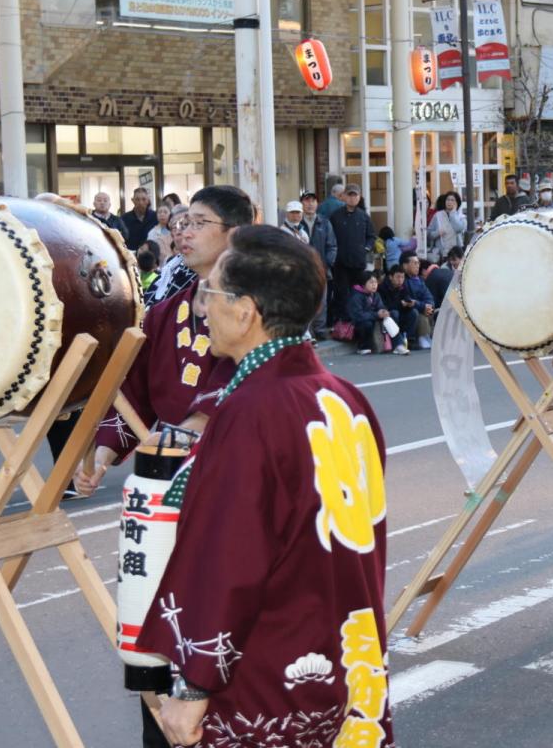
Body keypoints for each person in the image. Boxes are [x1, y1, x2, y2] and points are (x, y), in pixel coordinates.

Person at [133, 225, 394, 748]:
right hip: (345, 652)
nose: (202, 308)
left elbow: (228, 559)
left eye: (210, 293)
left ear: (246, 312)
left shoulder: (252, 410)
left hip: (269, 662)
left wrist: (194, 685)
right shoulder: (344, 396)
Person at [76, 185, 250, 746]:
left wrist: (195, 427)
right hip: (160, 496)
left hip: (222, 493)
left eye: (198, 222)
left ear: (235, 233)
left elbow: (254, 384)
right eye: (180, 222)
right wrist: (104, 453)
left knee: (216, 626)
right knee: (158, 633)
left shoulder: (254, 311)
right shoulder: (166, 312)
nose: (183, 231)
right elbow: (134, 396)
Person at [328, 183, 375, 327]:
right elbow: (329, 238)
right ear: (343, 196)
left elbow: (371, 236)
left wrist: (366, 248)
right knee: (341, 293)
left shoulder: (364, 216)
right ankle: (343, 324)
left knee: (358, 293)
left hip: (358, 263)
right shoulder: (335, 216)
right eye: (349, 195)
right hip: (340, 263)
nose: (352, 198)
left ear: (359, 197)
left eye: (355, 195)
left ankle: (357, 323)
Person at [299, 191, 336, 338]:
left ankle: (320, 330)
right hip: (303, 270)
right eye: (306, 201)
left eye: (313, 201)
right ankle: (306, 331)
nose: (310, 204)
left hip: (321, 269)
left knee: (322, 301)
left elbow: (332, 246)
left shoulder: (324, 222)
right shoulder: (297, 223)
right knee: (305, 300)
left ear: (317, 204)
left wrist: (326, 264)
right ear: (301, 204)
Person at [348, 270, 406, 355]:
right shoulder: (356, 296)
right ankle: (363, 346)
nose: (374, 285)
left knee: (393, 314)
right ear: (363, 284)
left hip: (373, 317)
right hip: (358, 324)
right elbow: (358, 316)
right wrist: (376, 315)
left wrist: (384, 311)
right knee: (367, 323)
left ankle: (398, 345)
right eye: (371, 282)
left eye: (375, 282)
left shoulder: (375, 295)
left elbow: (380, 306)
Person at [400, 251, 435, 350]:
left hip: (420, 308)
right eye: (414, 263)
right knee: (418, 313)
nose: (418, 266)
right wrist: (422, 306)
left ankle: (428, 337)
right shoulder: (402, 280)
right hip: (407, 311)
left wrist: (428, 306)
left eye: (418, 263)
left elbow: (429, 298)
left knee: (433, 311)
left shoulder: (419, 280)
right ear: (405, 265)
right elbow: (408, 300)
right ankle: (420, 338)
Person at [428, 191, 466, 263]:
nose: (449, 202)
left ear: (457, 203)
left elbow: (459, 229)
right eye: (448, 199)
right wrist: (437, 233)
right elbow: (429, 234)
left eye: (452, 200)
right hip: (441, 254)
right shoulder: (437, 215)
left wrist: (453, 214)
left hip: (456, 254)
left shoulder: (461, 217)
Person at [424, 246, 461, 310]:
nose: (452, 262)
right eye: (450, 260)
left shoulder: (465, 267)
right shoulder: (445, 268)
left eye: (454, 259)